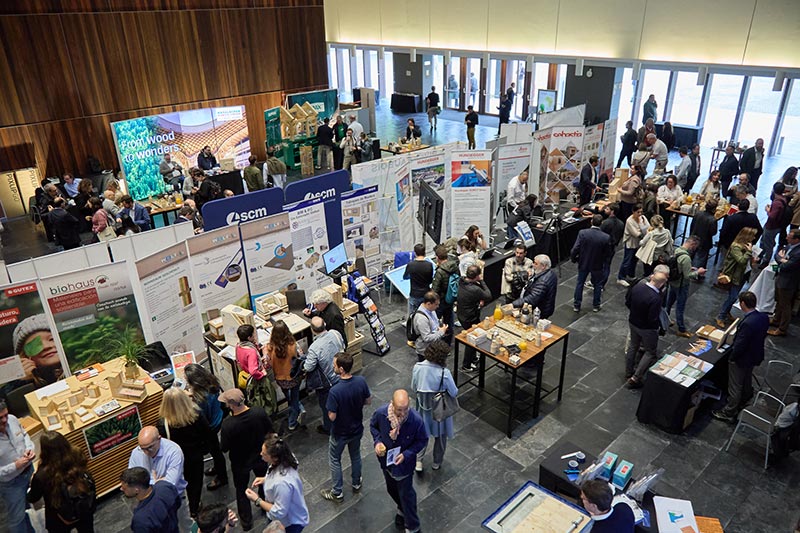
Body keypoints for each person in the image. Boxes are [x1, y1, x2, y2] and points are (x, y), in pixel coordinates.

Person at [370, 390, 428, 533]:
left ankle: (413, 526)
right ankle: (402, 509)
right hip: (386, 462)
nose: (402, 414)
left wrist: (407, 454)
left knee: (406, 494)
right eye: (399, 410)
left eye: (405, 409)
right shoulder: (381, 413)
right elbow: (373, 426)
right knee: (392, 489)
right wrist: (377, 443)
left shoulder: (415, 421)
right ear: (392, 404)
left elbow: (422, 440)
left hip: (404, 467)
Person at [218, 387, 274, 532]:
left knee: (241, 490)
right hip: (261, 456)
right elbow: (270, 430)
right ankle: (265, 506)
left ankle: (246, 522)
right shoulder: (258, 412)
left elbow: (224, 447)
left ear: (231, 405)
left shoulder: (228, 424)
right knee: (263, 481)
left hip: (240, 462)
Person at [320, 351, 371, 502]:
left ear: (341, 369)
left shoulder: (335, 391)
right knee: (355, 455)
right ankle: (356, 482)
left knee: (335, 459)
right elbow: (368, 401)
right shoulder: (361, 381)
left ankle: (337, 492)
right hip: (356, 429)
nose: (333, 366)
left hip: (340, 433)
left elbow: (332, 416)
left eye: (335, 364)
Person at [157, 387, 214, 518]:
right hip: (195, 457)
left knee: (180, 483)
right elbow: (207, 434)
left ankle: (183, 507)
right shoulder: (196, 415)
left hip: (176, 460)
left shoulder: (164, 423)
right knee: (196, 483)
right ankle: (194, 507)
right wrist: (204, 450)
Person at [712, 291, 769, 422]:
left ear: (743, 303)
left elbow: (740, 345)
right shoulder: (763, 317)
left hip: (742, 358)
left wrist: (732, 358)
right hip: (755, 355)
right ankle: (746, 397)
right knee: (746, 377)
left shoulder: (747, 323)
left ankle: (729, 411)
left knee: (735, 385)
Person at [28, 431, 95, 533]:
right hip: (82, 506)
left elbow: (33, 497)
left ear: (45, 450)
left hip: (58, 516)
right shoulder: (78, 455)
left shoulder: (42, 474)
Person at [245, 435, 309, 533]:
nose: (261, 454)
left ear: (274, 458)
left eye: (264, 454)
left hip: (289, 523)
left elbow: (279, 512)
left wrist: (257, 500)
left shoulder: (282, 484)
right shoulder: (286, 458)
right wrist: (265, 479)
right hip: (292, 510)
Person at [411, 340, 457, 472]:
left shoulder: (417, 367)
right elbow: (454, 392)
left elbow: (413, 388)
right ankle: (437, 462)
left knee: (421, 436)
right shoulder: (444, 373)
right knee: (441, 439)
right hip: (440, 412)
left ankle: (418, 460)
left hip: (423, 409)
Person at [182, 363, 227, 491]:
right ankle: (218, 469)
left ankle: (222, 477)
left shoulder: (201, 399)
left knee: (216, 451)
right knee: (216, 450)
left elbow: (202, 418)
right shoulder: (212, 383)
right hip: (217, 418)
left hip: (210, 427)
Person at [625, 271, 669, 389]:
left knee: (633, 346)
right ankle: (635, 378)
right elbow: (653, 318)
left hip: (633, 321)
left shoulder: (637, 287)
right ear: (661, 284)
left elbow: (628, 302)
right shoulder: (655, 298)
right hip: (647, 328)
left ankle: (628, 371)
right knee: (650, 352)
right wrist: (657, 328)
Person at [0, 400, 36, 533]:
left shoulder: (13, 419)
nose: (5, 420)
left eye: (6, 415)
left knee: (27, 509)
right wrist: (15, 466)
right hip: (11, 484)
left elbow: (24, 435)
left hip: (29, 472)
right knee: (17, 518)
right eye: (0, 418)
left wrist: (30, 448)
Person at [304, 317, 343, 435]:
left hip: (328, 383)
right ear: (325, 324)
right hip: (341, 376)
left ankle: (329, 428)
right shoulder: (335, 334)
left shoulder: (314, 348)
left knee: (327, 407)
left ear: (312, 330)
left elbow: (308, 367)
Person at [265, 319, 305, 431]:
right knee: (295, 397)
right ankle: (293, 421)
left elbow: (267, 364)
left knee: (289, 396)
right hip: (294, 378)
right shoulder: (293, 345)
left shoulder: (270, 348)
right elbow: (301, 357)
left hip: (280, 379)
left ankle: (297, 407)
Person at [665, 235, 706, 337]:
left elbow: (678, 267)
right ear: (693, 244)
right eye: (695, 247)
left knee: (668, 303)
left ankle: (664, 320)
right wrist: (698, 272)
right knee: (680, 307)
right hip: (681, 285)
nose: (694, 249)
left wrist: (688, 267)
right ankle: (681, 329)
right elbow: (687, 276)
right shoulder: (686, 257)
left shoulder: (677, 250)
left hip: (673, 282)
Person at [128, 426, 188, 496]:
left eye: (150, 447)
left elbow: (170, 483)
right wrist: (158, 481)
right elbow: (133, 480)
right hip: (147, 497)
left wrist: (146, 483)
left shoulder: (174, 451)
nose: (146, 452)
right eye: (143, 448)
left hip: (173, 496)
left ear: (159, 439)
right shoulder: (136, 452)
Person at [716, 227, 757, 328]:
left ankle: (727, 312)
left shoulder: (746, 246)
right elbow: (741, 260)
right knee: (733, 297)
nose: (755, 237)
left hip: (743, 274)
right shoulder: (736, 247)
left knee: (733, 296)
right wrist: (749, 252)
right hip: (734, 276)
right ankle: (720, 316)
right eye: (753, 235)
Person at [571, 215, 612, 313]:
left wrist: (573, 258)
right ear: (601, 223)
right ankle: (596, 305)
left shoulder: (583, 233)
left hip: (584, 262)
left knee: (580, 283)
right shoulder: (605, 237)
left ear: (591, 221)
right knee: (597, 285)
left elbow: (575, 248)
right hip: (597, 264)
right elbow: (608, 253)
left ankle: (577, 305)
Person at [120, 467, 180, 533]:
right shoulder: (165, 486)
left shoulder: (141, 520)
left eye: (124, 488)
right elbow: (178, 502)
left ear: (136, 490)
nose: (121, 489)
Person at [12, 313, 63, 387]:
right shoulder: (17, 386)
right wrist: (25, 382)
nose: (45, 347)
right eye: (35, 345)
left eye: (52, 339)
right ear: (25, 356)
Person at [457, 265, 492, 372]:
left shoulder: (462, 281)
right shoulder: (475, 289)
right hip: (470, 317)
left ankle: (472, 358)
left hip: (462, 314)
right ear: (477, 276)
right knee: (472, 340)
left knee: (472, 337)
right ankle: (466, 365)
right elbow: (488, 295)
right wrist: (482, 281)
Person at [236, 324, 277, 415]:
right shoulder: (251, 352)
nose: (254, 336)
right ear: (249, 337)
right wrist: (262, 373)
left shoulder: (238, 346)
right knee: (268, 398)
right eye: (253, 335)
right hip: (257, 380)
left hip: (245, 375)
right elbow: (253, 370)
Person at [768, 229, 800, 337]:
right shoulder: (790, 246)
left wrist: (781, 260)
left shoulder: (798, 253)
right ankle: (776, 320)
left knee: (786, 305)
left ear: (796, 240)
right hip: (781, 277)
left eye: (789, 237)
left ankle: (782, 329)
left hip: (788, 282)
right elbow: (777, 255)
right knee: (779, 301)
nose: (786, 238)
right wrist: (782, 259)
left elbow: (786, 266)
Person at [431, 244, 458, 344]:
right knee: (449, 321)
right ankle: (447, 343)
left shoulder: (440, 271)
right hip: (450, 298)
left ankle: (436, 343)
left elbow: (435, 290)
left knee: (434, 321)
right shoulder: (454, 266)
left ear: (437, 257)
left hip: (440, 301)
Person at [617, 204, 650, 286]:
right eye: (638, 212)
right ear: (633, 212)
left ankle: (631, 275)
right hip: (631, 243)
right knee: (627, 260)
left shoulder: (642, 218)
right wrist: (644, 231)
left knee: (634, 260)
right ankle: (621, 277)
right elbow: (636, 233)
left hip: (639, 243)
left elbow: (649, 227)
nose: (640, 214)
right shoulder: (629, 221)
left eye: (641, 212)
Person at [760, 182, 790, 267]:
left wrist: (768, 210)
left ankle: (765, 260)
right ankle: (761, 255)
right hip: (778, 225)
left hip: (771, 226)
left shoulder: (777, 202)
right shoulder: (783, 199)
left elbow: (772, 216)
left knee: (768, 243)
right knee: (766, 241)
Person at [411, 291, 448, 362]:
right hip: (425, 350)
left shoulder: (431, 309)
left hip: (433, 346)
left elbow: (435, 322)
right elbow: (426, 338)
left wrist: (440, 326)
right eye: (436, 304)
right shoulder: (421, 319)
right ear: (428, 304)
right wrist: (441, 332)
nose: (438, 307)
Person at [404, 243, 434, 316]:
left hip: (414, 294)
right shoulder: (429, 265)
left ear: (415, 253)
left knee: (413, 315)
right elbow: (430, 280)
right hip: (426, 293)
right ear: (424, 252)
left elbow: (405, 276)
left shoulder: (411, 265)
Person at [690, 199, 718, 270]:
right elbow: (713, 233)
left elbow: (692, 225)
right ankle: (697, 274)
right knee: (701, 259)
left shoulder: (698, 214)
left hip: (694, 238)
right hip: (704, 242)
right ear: (714, 209)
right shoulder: (713, 220)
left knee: (691, 255)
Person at [600, 202, 625, 285]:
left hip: (603, 247)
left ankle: (597, 282)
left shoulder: (606, 223)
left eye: (607, 209)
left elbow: (600, 234)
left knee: (600, 265)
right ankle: (603, 283)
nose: (605, 210)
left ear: (612, 211)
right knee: (607, 265)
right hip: (613, 247)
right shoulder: (621, 223)